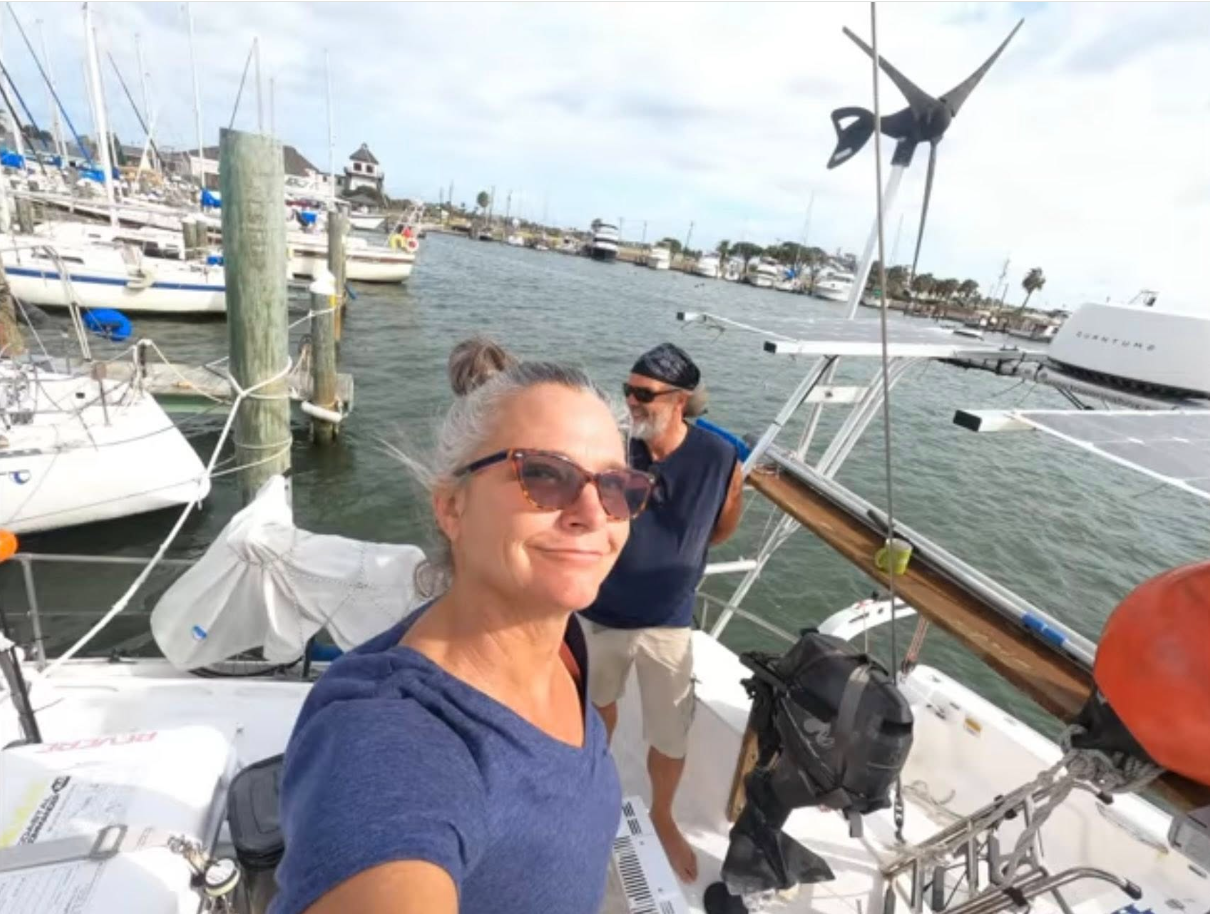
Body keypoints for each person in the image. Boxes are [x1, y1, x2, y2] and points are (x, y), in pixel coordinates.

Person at [271, 343, 658, 914]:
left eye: (615, 487)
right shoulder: (393, 736)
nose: (593, 513)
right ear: (452, 508)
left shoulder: (565, 646)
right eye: (546, 475)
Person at [580, 342, 743, 883]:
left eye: (644, 394)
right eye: (629, 390)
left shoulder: (720, 459)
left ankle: (662, 816)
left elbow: (723, 526)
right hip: (601, 611)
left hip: (668, 621)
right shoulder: (617, 449)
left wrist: (682, 553)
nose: (631, 402)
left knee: (669, 733)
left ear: (680, 400)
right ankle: (588, 787)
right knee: (595, 706)